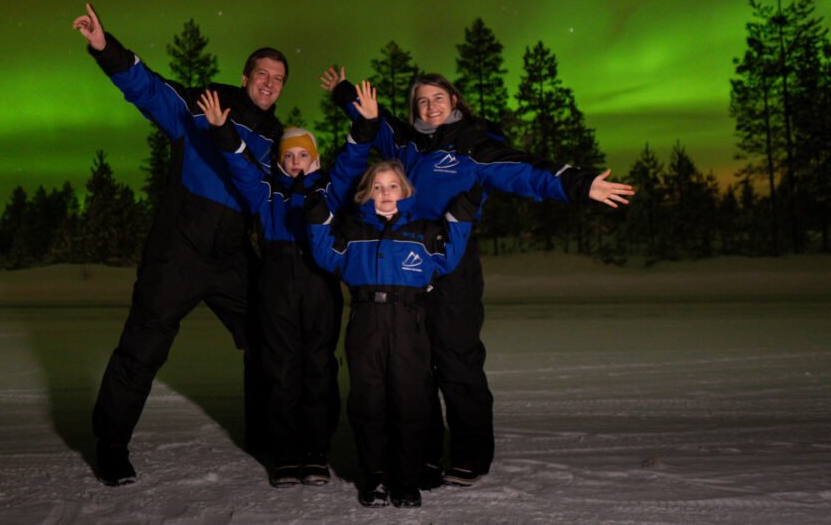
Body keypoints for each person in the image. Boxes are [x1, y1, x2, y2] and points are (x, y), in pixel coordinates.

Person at [322, 67, 634, 488]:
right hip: (405, 265)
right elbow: (374, 118)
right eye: (422, 101)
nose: (430, 107)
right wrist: (343, 91)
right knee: (413, 367)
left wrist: (579, 185)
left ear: (455, 102)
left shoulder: (473, 147)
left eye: (438, 98)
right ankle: (425, 454)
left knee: (455, 358)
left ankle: (471, 454)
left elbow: (525, 171)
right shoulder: (405, 141)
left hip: (452, 262)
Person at [73, 3, 286, 486]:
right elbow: (149, 89)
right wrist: (106, 48)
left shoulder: (279, 140)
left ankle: (267, 438)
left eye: (278, 78)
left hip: (232, 255)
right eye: (262, 74)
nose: (269, 83)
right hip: (179, 251)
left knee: (269, 337)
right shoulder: (204, 106)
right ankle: (111, 444)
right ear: (245, 75)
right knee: (143, 346)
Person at [197, 85, 374, 487]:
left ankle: (315, 451)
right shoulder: (266, 191)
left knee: (319, 367)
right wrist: (224, 131)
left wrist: (365, 124)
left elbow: (352, 159)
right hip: (275, 283)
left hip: (318, 281)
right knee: (280, 369)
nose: (296, 162)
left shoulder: (330, 188)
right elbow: (240, 165)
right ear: (280, 160)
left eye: (303, 155)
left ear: (315, 158)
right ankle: (285, 454)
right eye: (289, 156)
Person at [305, 114, 482, 508]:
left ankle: (406, 478)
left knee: (410, 402)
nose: (386, 194)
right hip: (366, 324)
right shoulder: (353, 233)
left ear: (406, 192)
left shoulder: (421, 233)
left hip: (409, 324)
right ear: (366, 193)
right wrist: (317, 219)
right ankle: (376, 477)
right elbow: (325, 255)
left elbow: (449, 256)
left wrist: (464, 212)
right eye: (378, 187)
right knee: (368, 401)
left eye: (393, 187)